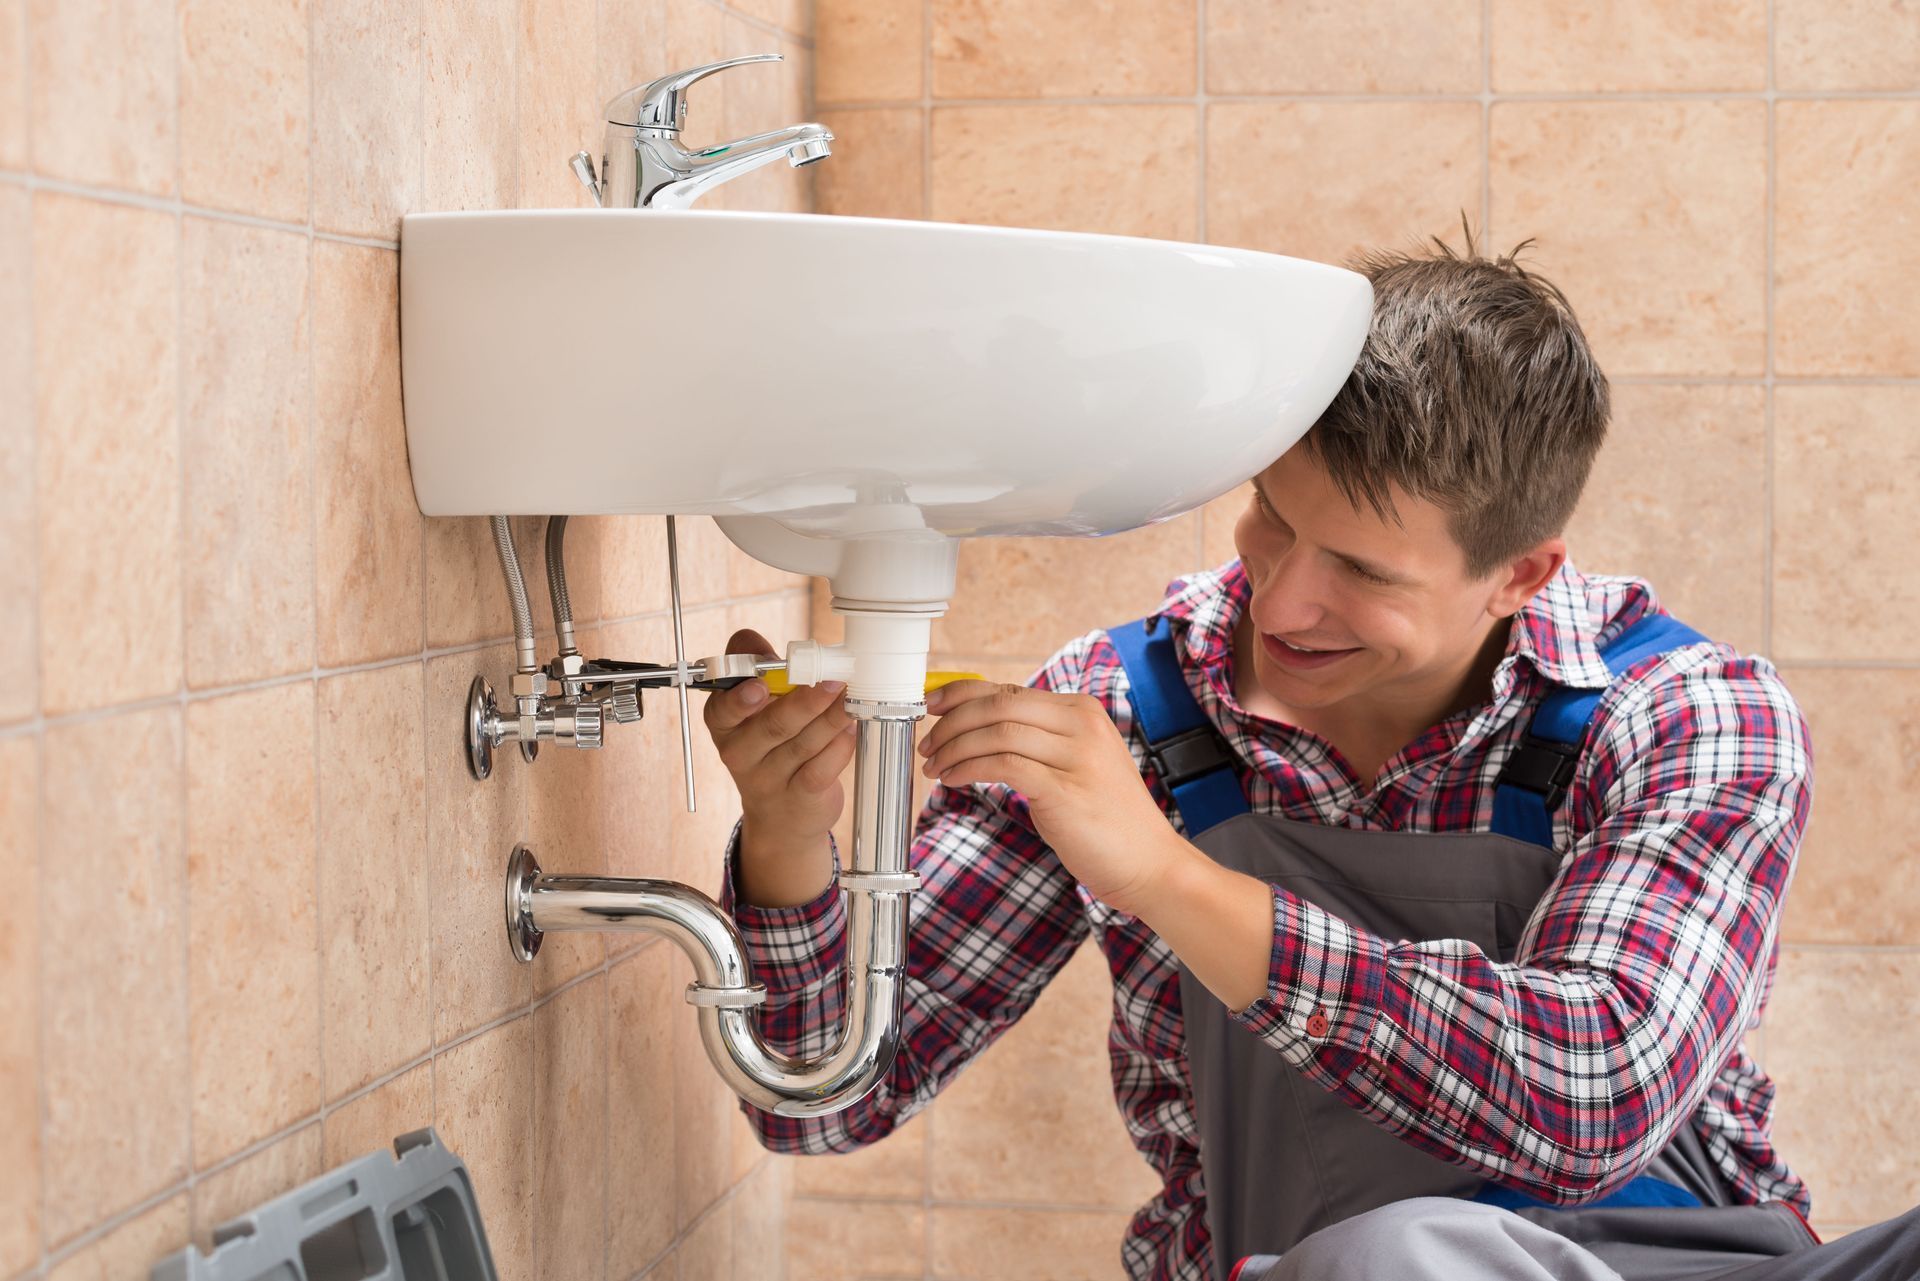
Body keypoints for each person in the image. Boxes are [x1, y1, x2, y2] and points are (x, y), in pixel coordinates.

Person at [702, 235, 1920, 1280]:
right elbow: (827, 1098)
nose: (1281, 603)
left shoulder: (1685, 714)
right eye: (1273, 521)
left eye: (1365, 572)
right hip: (1329, 1268)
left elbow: (1587, 1094)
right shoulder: (1129, 715)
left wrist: (1166, 879)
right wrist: (792, 834)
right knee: (1396, 1260)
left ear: (1521, 574)